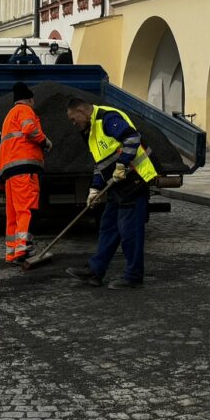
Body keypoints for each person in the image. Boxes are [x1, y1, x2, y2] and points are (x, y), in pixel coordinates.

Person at [64, 97, 159, 289]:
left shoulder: (108, 119)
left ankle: (133, 277)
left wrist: (123, 164)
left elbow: (132, 138)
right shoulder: (90, 131)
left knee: (129, 231)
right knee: (108, 227)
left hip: (135, 179)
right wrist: (94, 189)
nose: (74, 124)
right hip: (118, 185)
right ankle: (95, 271)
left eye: (74, 119)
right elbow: (101, 163)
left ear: (82, 112)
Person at [0, 81, 52, 264]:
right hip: (24, 168)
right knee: (25, 209)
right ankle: (24, 249)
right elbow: (29, 129)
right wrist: (45, 142)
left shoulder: (9, 115)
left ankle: (12, 252)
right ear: (30, 99)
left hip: (10, 170)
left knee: (12, 212)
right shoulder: (25, 110)